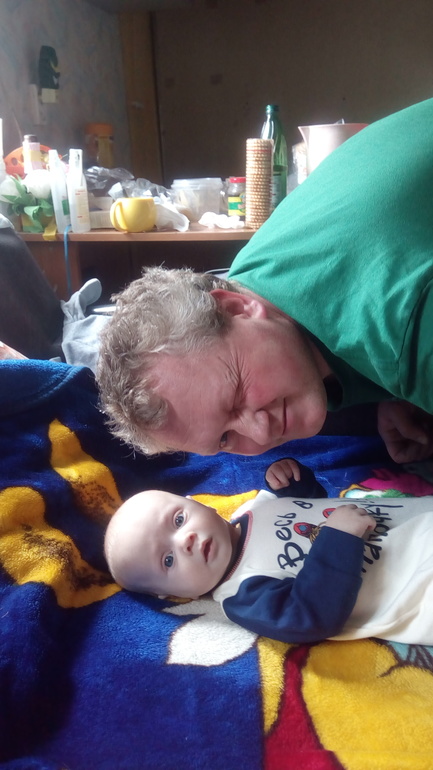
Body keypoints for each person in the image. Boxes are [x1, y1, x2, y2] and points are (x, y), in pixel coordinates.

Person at [96, 98, 433, 464]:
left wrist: (408, 370)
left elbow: (393, 320)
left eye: (236, 396)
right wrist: (387, 389)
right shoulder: (253, 275)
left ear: (235, 307)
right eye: (225, 438)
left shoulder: (398, 326)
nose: (260, 433)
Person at [104, 463, 433, 645]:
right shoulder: (242, 595)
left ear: (198, 502)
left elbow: (312, 505)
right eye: (168, 560)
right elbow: (307, 618)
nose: (185, 541)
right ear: (171, 594)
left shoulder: (256, 506)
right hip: (417, 587)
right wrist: (338, 539)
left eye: (178, 520)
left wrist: (293, 482)